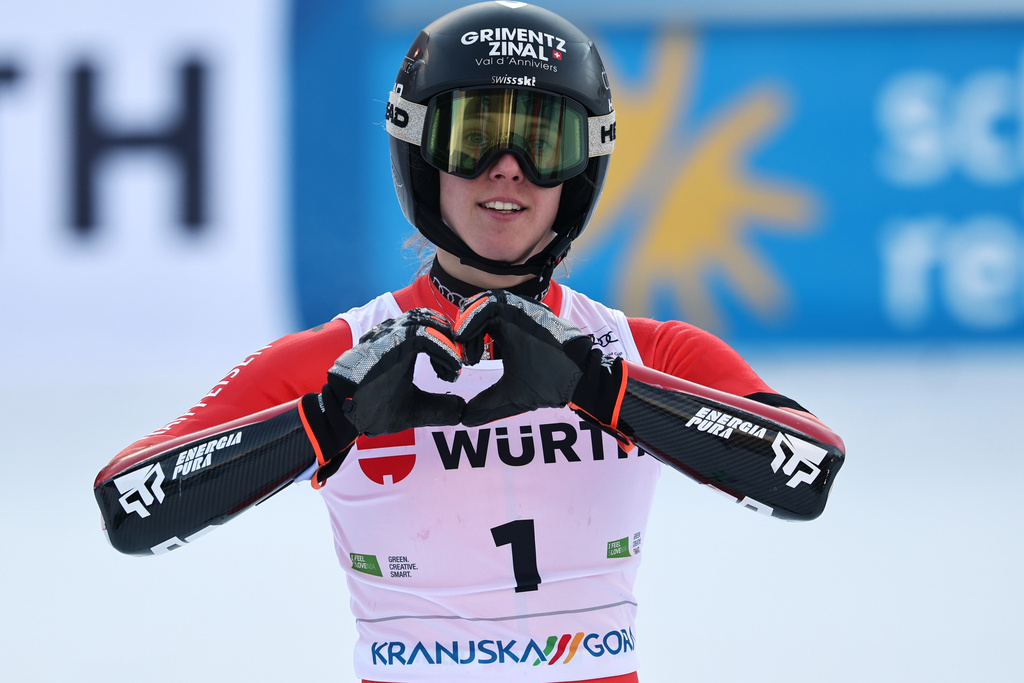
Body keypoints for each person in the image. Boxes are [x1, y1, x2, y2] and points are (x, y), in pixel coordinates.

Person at [98, 3, 844, 682]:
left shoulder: (644, 352)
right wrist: (324, 421)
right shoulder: (339, 359)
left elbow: (807, 470)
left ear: (581, 168)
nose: (508, 168)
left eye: (543, 142)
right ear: (422, 155)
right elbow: (130, 505)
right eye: (474, 137)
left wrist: (604, 387)